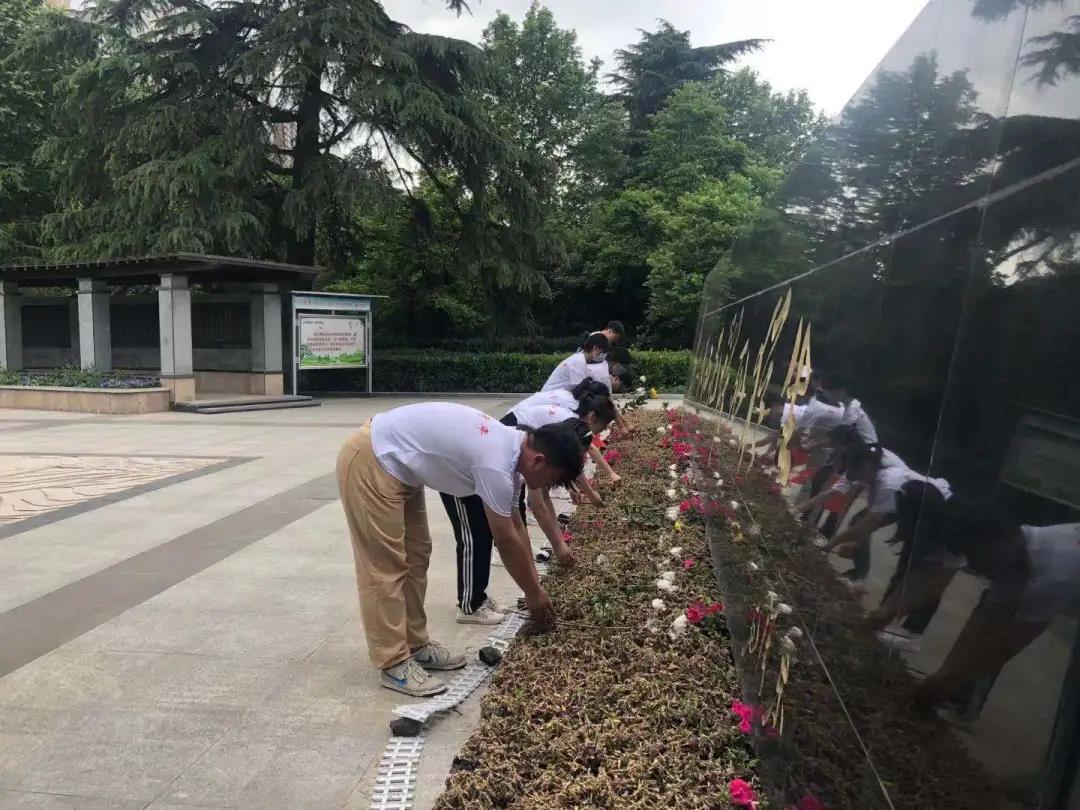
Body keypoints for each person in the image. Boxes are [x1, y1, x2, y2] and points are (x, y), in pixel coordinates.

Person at [336, 402, 583, 697]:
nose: (547, 488)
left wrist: (535, 589)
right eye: (552, 481)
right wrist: (533, 594)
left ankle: (415, 644)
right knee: (385, 566)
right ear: (539, 460)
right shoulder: (496, 463)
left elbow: (517, 527)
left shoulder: (513, 455)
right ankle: (392, 662)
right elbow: (504, 539)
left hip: (401, 471)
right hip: (373, 459)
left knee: (416, 556)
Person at [907, 509, 1080, 709]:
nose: (977, 569)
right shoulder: (1018, 548)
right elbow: (984, 619)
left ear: (996, 548)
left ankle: (960, 699)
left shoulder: (1053, 577)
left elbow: (1008, 645)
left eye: (977, 560)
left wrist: (950, 681)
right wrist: (944, 674)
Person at [797, 442, 955, 646]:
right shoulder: (870, 469)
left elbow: (872, 522)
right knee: (905, 562)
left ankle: (911, 632)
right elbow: (868, 517)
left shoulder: (888, 483)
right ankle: (880, 617)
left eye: (853, 470)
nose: (851, 475)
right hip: (911, 503)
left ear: (867, 466)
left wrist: (831, 545)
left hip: (933, 507)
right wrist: (852, 543)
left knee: (922, 568)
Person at [541, 333, 610, 393]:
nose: (600, 356)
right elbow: (579, 391)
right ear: (595, 348)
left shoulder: (580, 358)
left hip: (554, 395)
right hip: (550, 397)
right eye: (600, 353)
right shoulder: (578, 361)